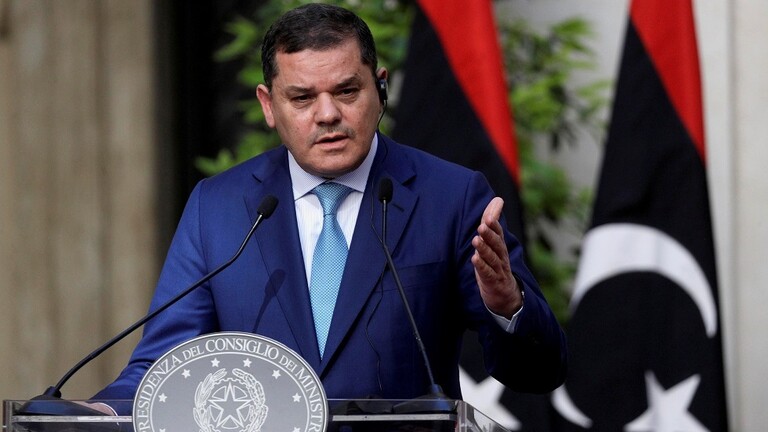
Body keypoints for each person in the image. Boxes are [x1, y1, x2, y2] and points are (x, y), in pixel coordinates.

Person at [92, 3, 566, 414]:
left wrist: (508, 306)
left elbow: (539, 372)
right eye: (302, 98)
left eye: (346, 91)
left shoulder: (452, 198)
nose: (327, 115)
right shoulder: (218, 208)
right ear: (268, 105)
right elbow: (163, 366)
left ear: (380, 88)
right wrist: (90, 414)